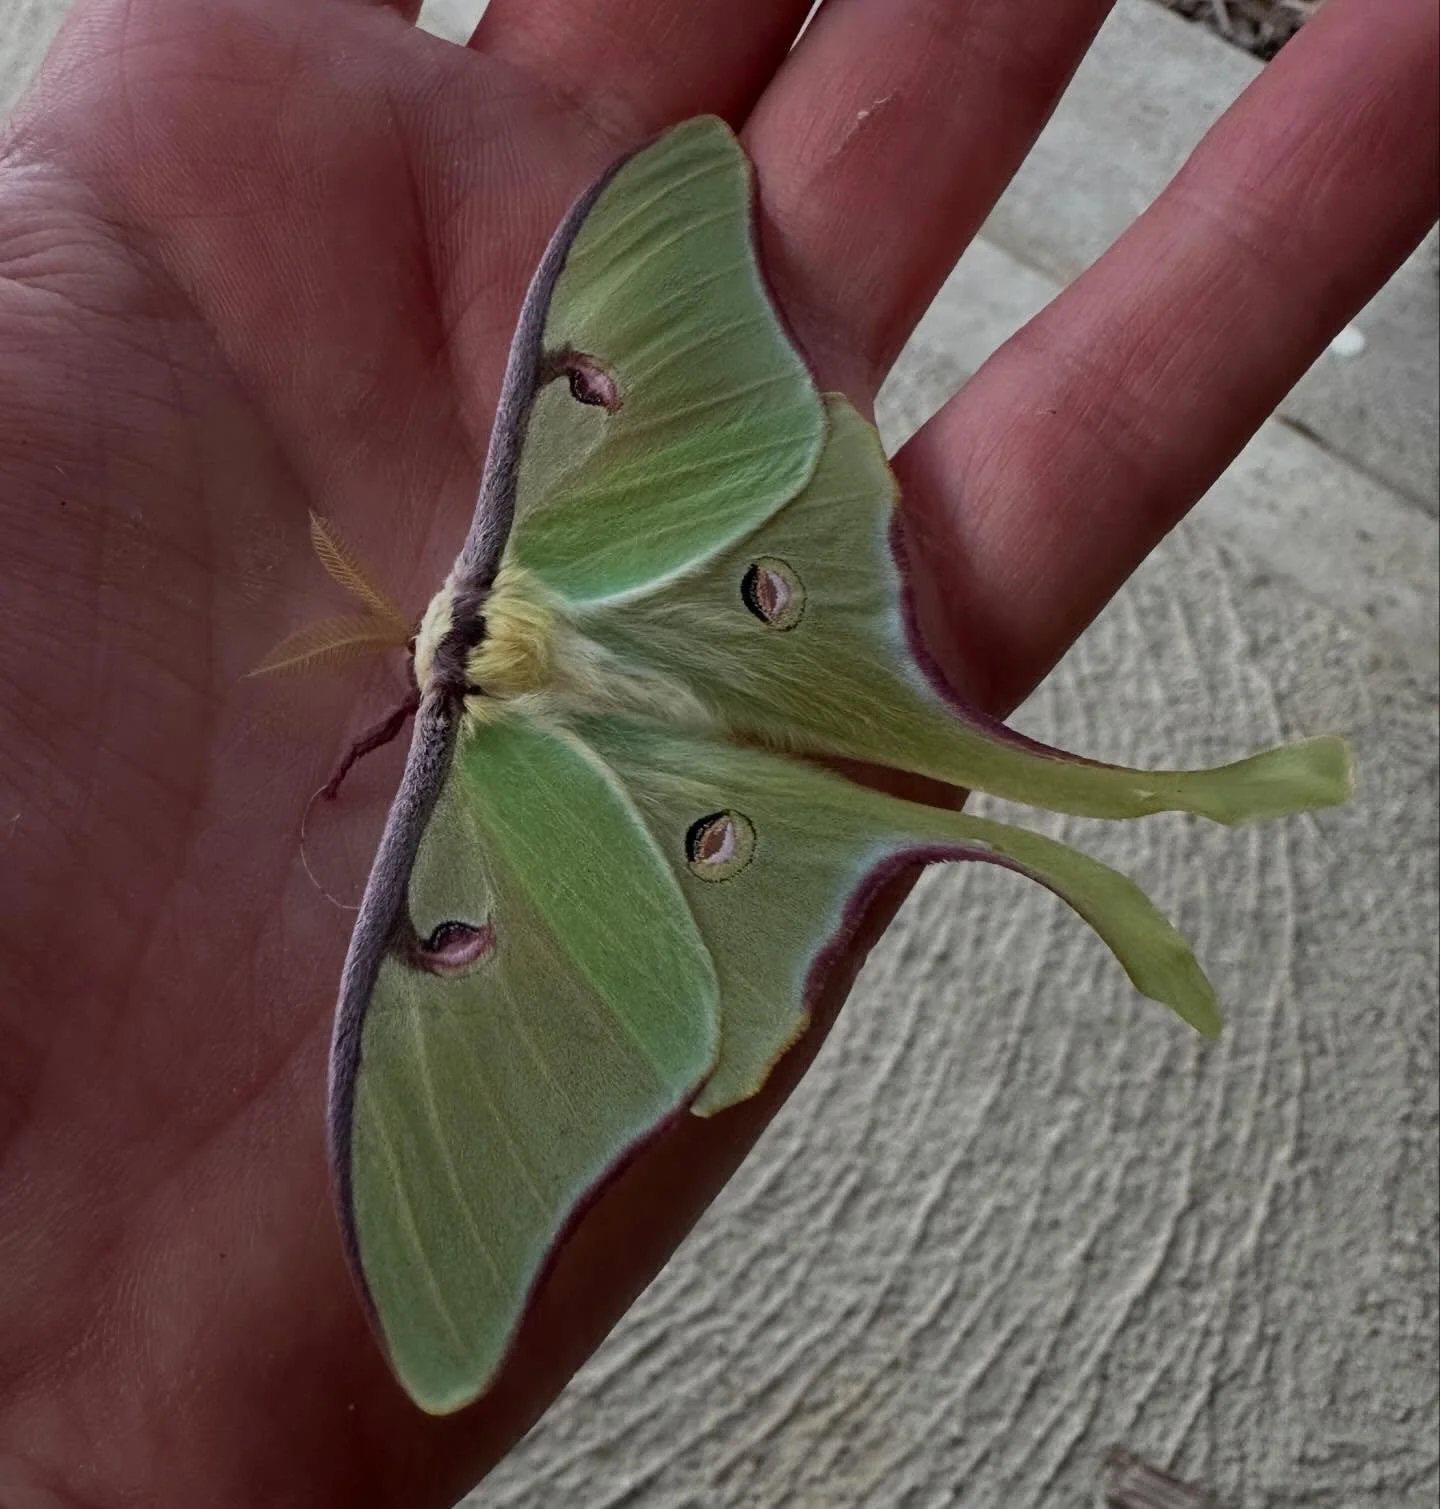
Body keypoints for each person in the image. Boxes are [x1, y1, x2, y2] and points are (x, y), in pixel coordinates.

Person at [0, 0, 1433, 1503]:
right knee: (950, 770)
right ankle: (1192, 803)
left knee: (943, 780)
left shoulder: (447, 777)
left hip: (724, 668)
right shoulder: (489, 662)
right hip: (721, 631)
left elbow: (661, 231)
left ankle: (1154, 837)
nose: (445, 634)